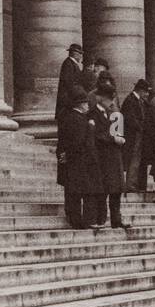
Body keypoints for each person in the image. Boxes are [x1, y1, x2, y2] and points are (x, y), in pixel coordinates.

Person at [56, 85, 102, 229]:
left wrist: (63, 156)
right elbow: (79, 143)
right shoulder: (79, 120)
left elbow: (62, 142)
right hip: (80, 162)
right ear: (81, 104)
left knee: (73, 193)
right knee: (82, 192)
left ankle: (76, 220)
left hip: (73, 162)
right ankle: (81, 221)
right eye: (86, 103)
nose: (87, 105)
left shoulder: (69, 118)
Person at [89, 84, 129, 228]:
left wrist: (120, 137)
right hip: (102, 158)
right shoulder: (92, 114)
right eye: (108, 99)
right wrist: (114, 139)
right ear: (99, 98)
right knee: (103, 191)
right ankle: (100, 219)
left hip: (114, 157)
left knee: (116, 191)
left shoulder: (112, 113)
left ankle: (116, 220)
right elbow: (97, 135)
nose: (111, 102)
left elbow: (115, 131)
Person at [121, 78, 148, 192]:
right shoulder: (130, 100)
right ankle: (131, 185)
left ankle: (137, 184)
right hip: (133, 134)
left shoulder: (139, 101)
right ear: (140, 90)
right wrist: (141, 128)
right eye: (146, 91)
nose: (147, 94)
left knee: (138, 159)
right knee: (134, 160)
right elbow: (130, 118)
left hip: (138, 134)